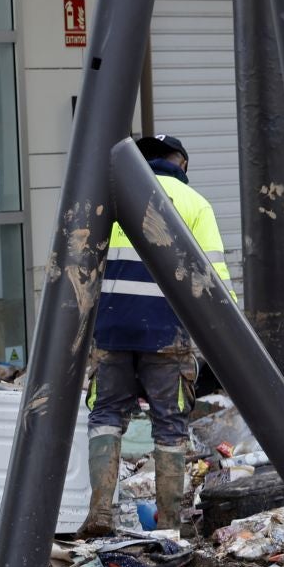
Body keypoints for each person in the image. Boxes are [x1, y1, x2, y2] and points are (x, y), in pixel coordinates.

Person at [81, 134, 231, 536]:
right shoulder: (195, 204)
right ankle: (168, 524)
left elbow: (83, 266)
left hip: (111, 331)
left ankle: (100, 512)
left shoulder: (110, 200)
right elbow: (214, 278)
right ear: (180, 163)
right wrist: (227, 338)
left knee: (106, 416)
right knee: (169, 425)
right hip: (167, 334)